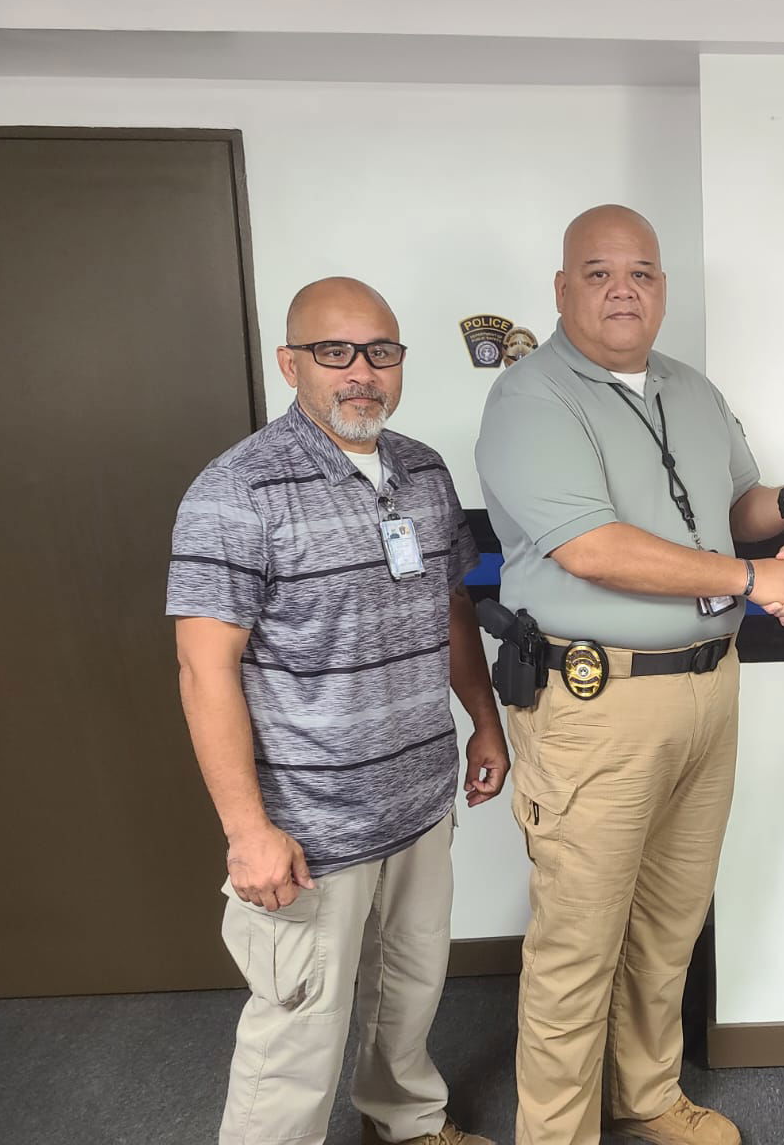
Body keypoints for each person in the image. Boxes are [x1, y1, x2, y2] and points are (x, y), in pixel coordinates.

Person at [475, 204, 784, 1145]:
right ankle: (557, 1135)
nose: (622, 289)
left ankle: (646, 1095)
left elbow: (736, 505)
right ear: (561, 291)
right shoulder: (531, 397)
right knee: (576, 945)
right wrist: (747, 578)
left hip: (708, 689)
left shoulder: (690, 386)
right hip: (594, 701)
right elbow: (594, 549)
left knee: (670, 922)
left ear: (664, 288)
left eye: (641, 271)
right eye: (597, 273)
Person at [168, 277, 506, 1145]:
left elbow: (452, 606)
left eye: (380, 352)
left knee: (411, 990)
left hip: (420, 798)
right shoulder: (235, 491)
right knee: (296, 1035)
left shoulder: (424, 471)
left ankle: (407, 1121)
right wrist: (248, 831)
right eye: (334, 352)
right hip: (308, 826)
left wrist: (486, 720)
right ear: (291, 363)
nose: (361, 372)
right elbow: (205, 669)